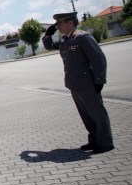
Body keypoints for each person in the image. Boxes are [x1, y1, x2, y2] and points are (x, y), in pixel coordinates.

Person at [42, 12, 114, 154]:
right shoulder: (65, 40)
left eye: (60, 24)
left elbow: (98, 58)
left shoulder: (82, 37)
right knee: (86, 116)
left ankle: (105, 142)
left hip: (88, 83)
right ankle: (94, 140)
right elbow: (49, 46)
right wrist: (47, 35)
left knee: (97, 114)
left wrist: (100, 80)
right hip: (74, 84)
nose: (58, 27)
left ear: (70, 23)